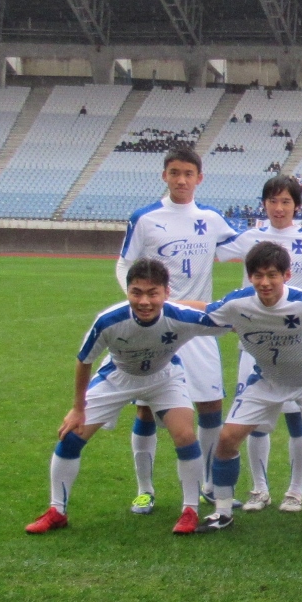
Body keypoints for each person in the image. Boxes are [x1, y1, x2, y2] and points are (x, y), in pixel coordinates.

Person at [25, 260, 229, 536]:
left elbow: (229, 320)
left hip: (164, 377)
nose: (144, 301)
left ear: (166, 293)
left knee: (185, 436)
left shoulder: (181, 316)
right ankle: (57, 511)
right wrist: (77, 408)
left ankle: (190, 510)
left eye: (152, 293)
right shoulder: (109, 320)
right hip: (118, 377)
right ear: (128, 291)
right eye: (137, 292)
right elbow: (84, 360)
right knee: (71, 436)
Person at [193, 242, 302, 538]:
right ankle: (222, 512)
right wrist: (162, 303)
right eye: (258, 275)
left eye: (272, 275)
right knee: (227, 438)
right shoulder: (237, 303)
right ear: (249, 276)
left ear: (287, 275)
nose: (265, 282)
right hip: (266, 380)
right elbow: (204, 312)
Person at [214, 174, 302, 514]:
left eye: (286, 201)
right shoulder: (250, 237)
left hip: (300, 345)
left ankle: (295, 490)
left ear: (297, 206)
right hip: (257, 344)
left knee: (298, 422)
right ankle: (259, 489)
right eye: (273, 201)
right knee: (254, 424)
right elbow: (211, 249)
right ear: (264, 204)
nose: (279, 208)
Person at [115, 148, 239, 512]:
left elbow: (245, 249)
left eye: (188, 173)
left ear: (199, 178)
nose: (181, 180)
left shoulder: (211, 219)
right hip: (156, 326)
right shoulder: (145, 218)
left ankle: (209, 485)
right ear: (164, 176)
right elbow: (124, 264)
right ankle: (145, 489)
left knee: (211, 404)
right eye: (174, 172)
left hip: (197, 326)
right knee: (146, 409)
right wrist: (140, 300)